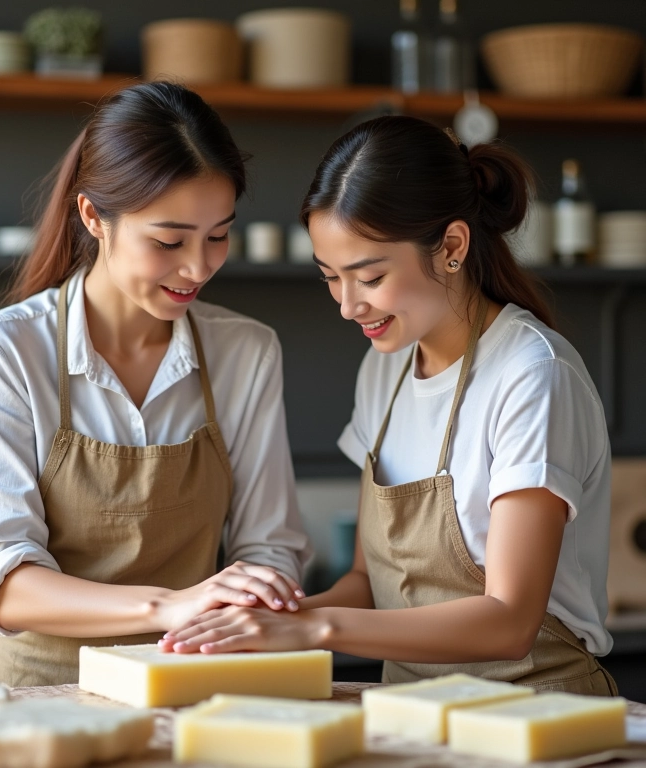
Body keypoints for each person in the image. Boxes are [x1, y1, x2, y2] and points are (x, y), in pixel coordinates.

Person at [159, 115, 618, 696]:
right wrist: (269, 620)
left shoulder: (532, 375)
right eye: (331, 277)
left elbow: (509, 622)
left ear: (451, 246)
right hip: (414, 712)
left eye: (369, 276)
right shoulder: (386, 368)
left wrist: (312, 627)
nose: (348, 306)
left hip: (540, 713)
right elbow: (366, 579)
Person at [0, 82, 311, 687]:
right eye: (168, 241)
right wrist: (170, 605)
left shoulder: (246, 352)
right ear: (94, 217)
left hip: (189, 682)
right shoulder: (8, 349)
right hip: (35, 692)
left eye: (218, 235)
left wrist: (258, 589)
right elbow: (6, 584)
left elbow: (270, 545)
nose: (198, 267)